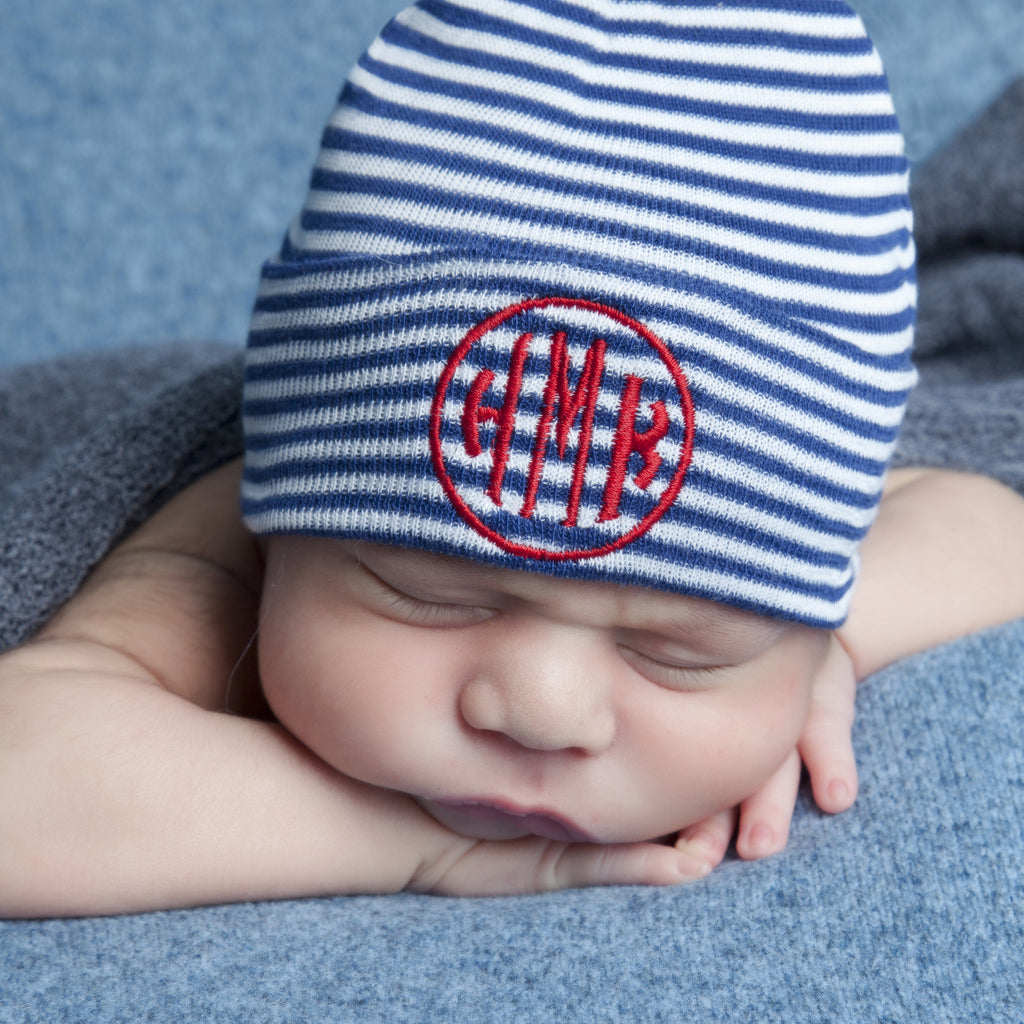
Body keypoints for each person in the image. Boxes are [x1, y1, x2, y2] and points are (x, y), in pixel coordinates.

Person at [2, 0, 1023, 918]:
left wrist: (822, 639)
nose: (540, 709)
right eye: (428, 592)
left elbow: (992, 525)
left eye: (680, 649)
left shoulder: (793, 587)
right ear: (281, 517)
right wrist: (412, 846)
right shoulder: (234, 527)